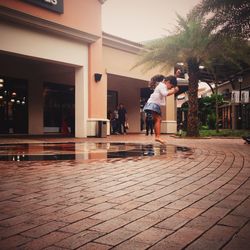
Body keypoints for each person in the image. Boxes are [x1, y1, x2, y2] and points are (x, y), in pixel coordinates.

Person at [143, 74, 179, 144]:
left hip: (153, 104)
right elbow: (164, 94)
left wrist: (176, 76)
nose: (170, 87)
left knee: (158, 120)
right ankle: (157, 137)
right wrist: (174, 91)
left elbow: (169, 79)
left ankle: (157, 136)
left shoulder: (162, 84)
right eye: (171, 86)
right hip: (153, 104)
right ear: (168, 82)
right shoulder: (162, 86)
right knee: (158, 119)